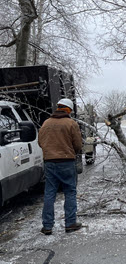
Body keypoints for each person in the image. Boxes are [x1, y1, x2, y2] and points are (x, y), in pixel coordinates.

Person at [38, 98, 83, 235]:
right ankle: (70, 223)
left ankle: (47, 226)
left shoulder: (46, 123)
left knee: (49, 193)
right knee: (70, 192)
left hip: (50, 163)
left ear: (58, 107)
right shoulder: (71, 123)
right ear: (68, 110)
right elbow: (78, 145)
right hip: (66, 162)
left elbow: (40, 142)